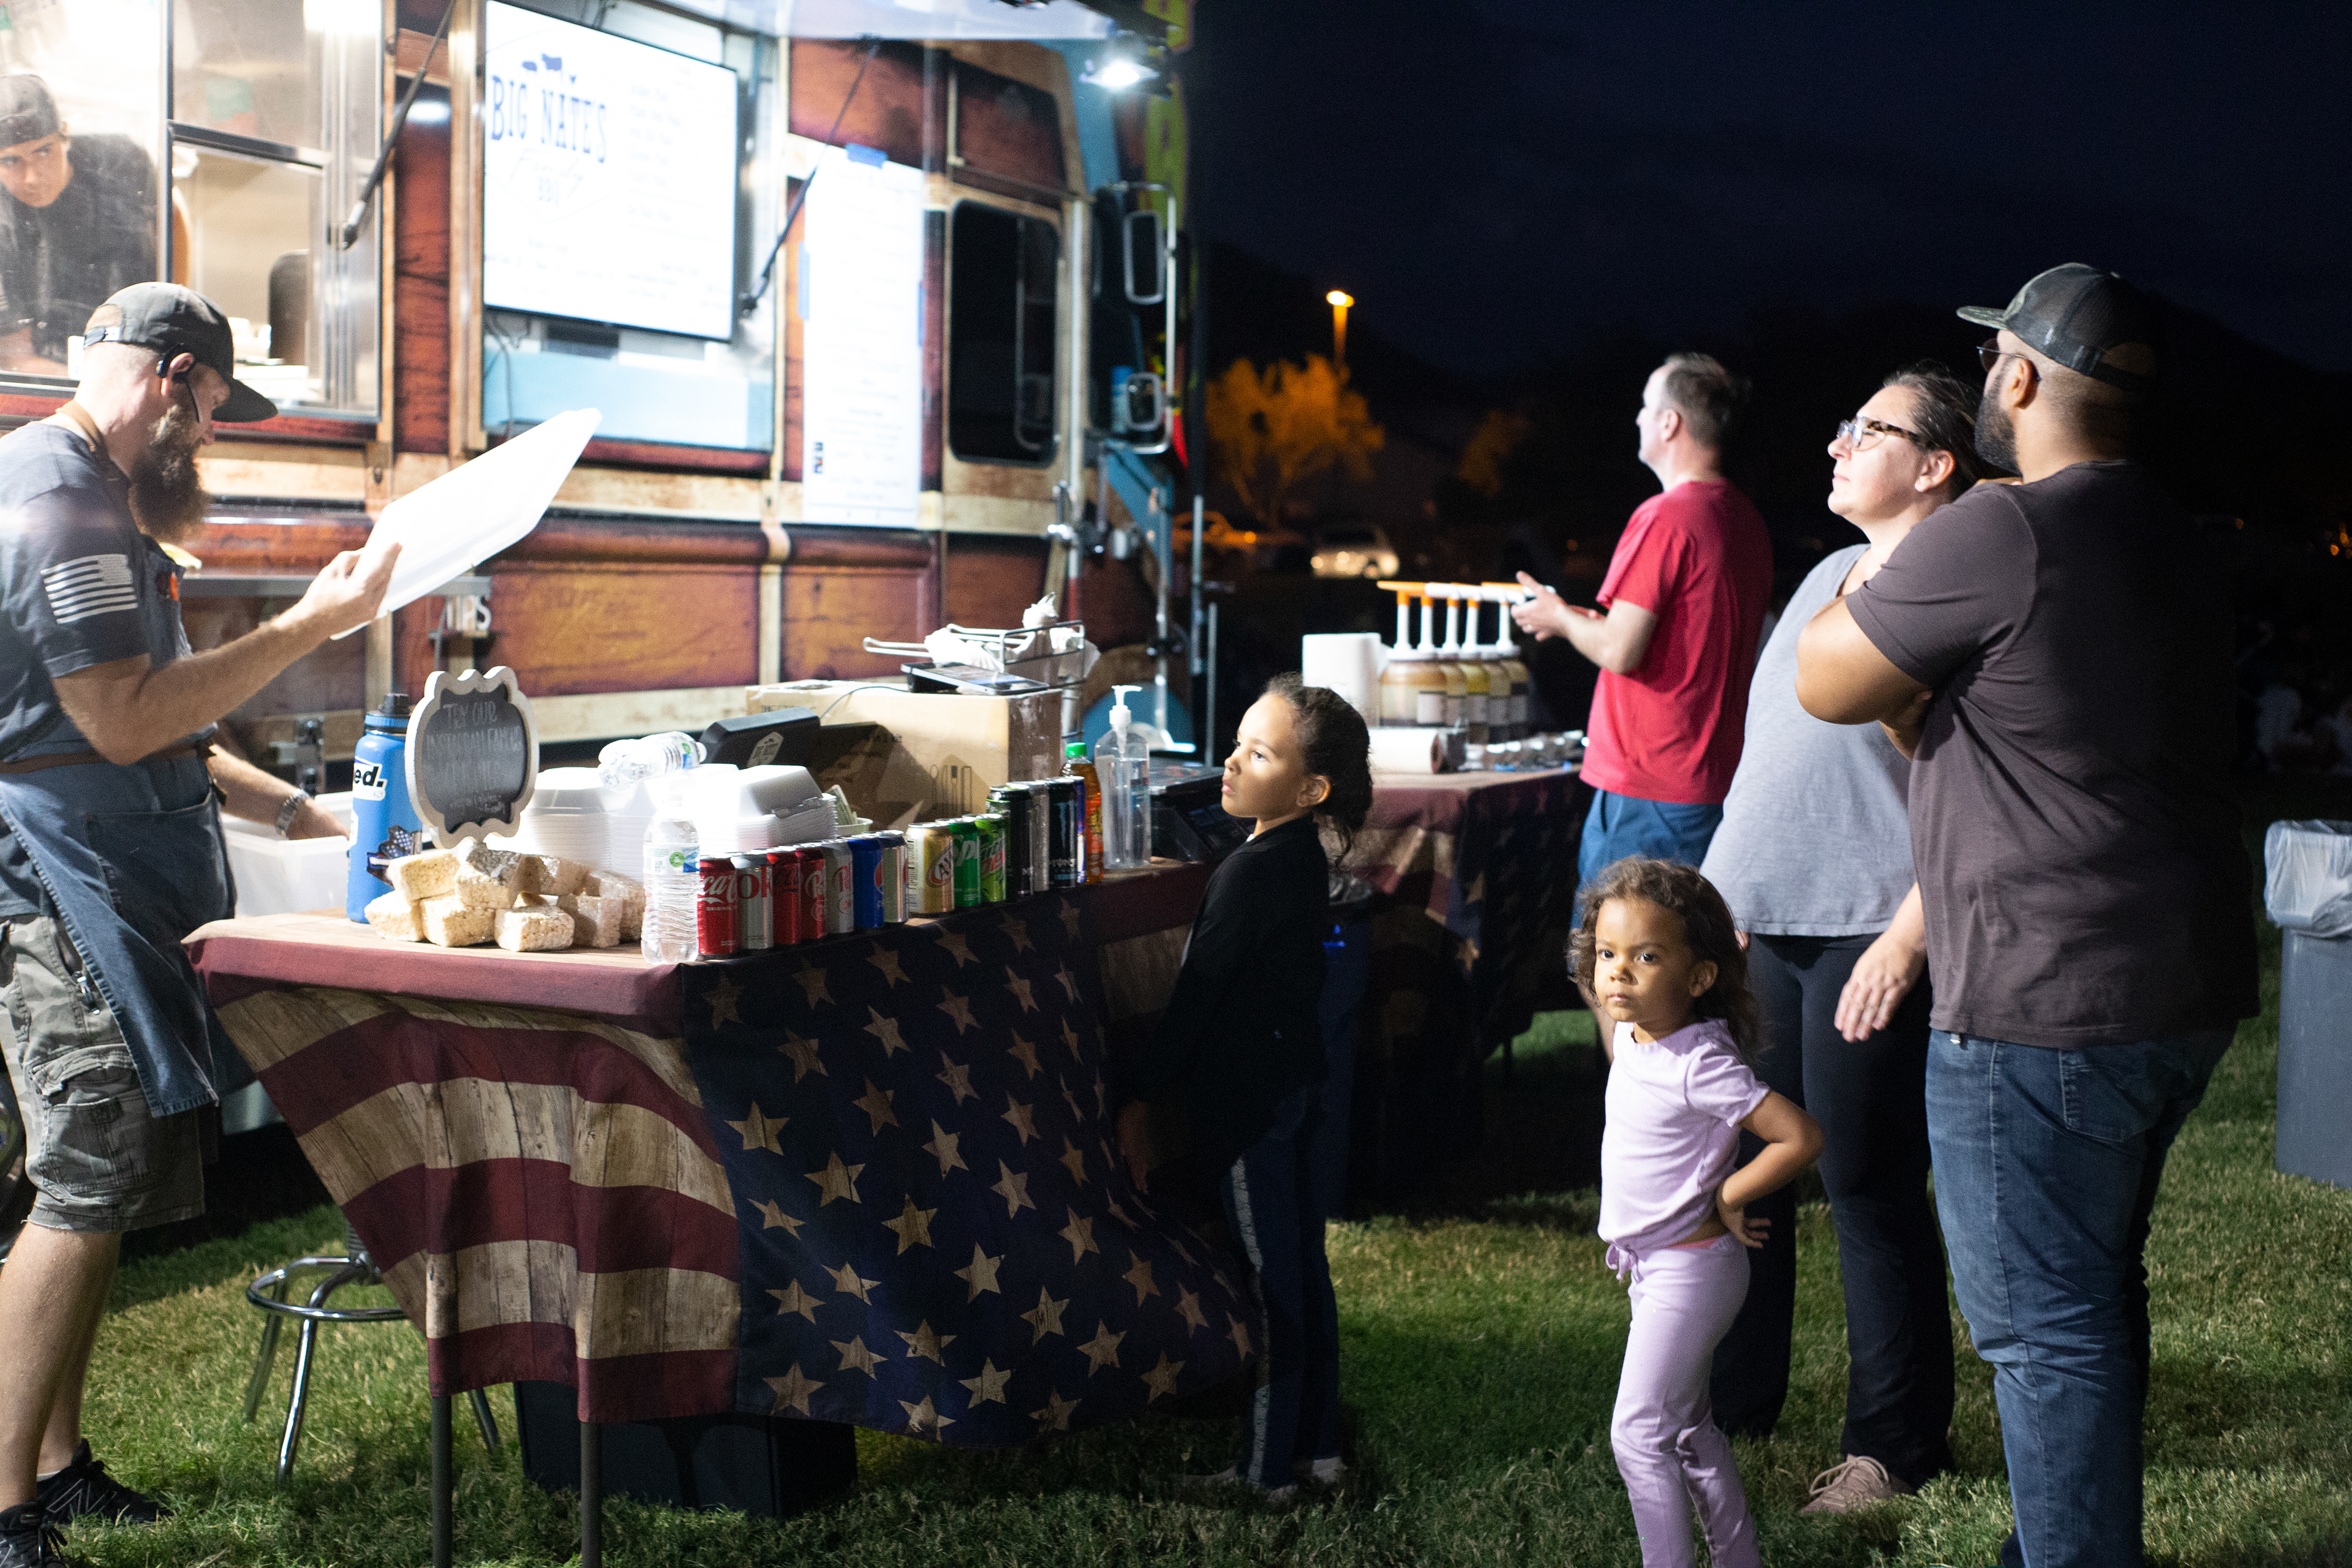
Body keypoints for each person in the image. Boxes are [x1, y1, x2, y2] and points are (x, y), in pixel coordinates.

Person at [1795, 264, 2259, 1568]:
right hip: (2179, 984)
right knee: (2093, 1290)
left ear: (2018, 376)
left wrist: (1888, 559)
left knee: (2045, 1325)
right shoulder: (2170, 531)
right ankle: (2072, 1536)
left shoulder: (2004, 529)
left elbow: (1826, 678)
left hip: (2045, 994)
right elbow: (2006, 724)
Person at [0, 282, 394, 1564]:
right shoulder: (61, 500)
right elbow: (120, 720)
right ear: (175, 378)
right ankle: (4, 1507)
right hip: (57, 891)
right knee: (83, 1183)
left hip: (111, 883)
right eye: (216, 405)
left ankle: (55, 1469)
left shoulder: (91, 493)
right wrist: (310, 625)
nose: (211, 434)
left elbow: (165, 716)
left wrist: (300, 811)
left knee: (103, 1187)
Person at [1694, 365, 1988, 1509]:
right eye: (1843, 424)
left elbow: (1975, 793)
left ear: (1935, 464)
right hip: (1767, 925)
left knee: (1866, 1180)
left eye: (1869, 430)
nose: (1839, 444)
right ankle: (1735, 1403)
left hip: (1870, 931)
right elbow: (1772, 756)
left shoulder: (1955, 590)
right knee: (1748, 1171)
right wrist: (1720, 900)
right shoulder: (1828, 573)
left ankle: (1894, 1447)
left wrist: (1908, 938)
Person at [1115, 674, 1372, 1502]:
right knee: (1304, 1272)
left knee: (1271, 1289)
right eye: (1237, 744)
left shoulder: (1249, 872)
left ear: (1311, 789)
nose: (1230, 763)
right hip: (1295, 1090)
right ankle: (1319, 1450)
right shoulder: (1297, 857)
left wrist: (1139, 1093)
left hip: (1252, 1109)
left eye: (1259, 755)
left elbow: (1196, 1001)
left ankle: (1267, 1474)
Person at [1575, 857, 1822, 1568]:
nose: (1619, 973)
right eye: (1608, 954)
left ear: (1699, 976)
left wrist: (1731, 1192)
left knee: (1638, 1435)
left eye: (1647, 957)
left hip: (1692, 1273)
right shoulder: (1634, 1032)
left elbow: (1800, 1137)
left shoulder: (1699, 1062)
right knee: (1687, 1428)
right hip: (1656, 1268)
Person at [1511, 353, 1773, 892]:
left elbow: (1619, 650)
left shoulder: (1666, 515)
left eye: (1646, 406)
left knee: (1614, 943)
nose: (1637, 418)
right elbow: (1686, 633)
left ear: (1670, 423)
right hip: (1712, 783)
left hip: (1649, 787)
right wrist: (1580, 620)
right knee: (1685, 939)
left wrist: (1561, 619)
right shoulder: (1744, 519)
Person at [0, 77, 162, 375]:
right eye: (11, 161)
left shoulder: (120, 169)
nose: (32, 177)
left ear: (65, 135)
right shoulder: (3, 224)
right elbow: (17, 359)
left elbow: (171, 222)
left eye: (43, 151)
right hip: (53, 374)